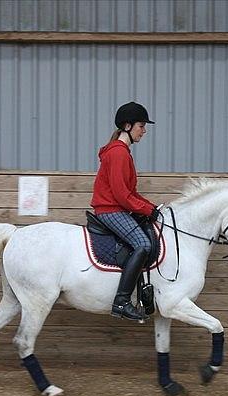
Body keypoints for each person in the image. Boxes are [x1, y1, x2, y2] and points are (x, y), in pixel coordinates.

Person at [90, 102, 161, 321]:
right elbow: (122, 195)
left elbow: (131, 192)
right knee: (143, 244)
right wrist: (147, 209)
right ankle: (121, 301)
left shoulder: (122, 152)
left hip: (115, 207)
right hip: (110, 210)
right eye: (141, 125)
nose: (144, 130)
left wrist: (153, 208)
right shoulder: (119, 153)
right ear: (128, 126)